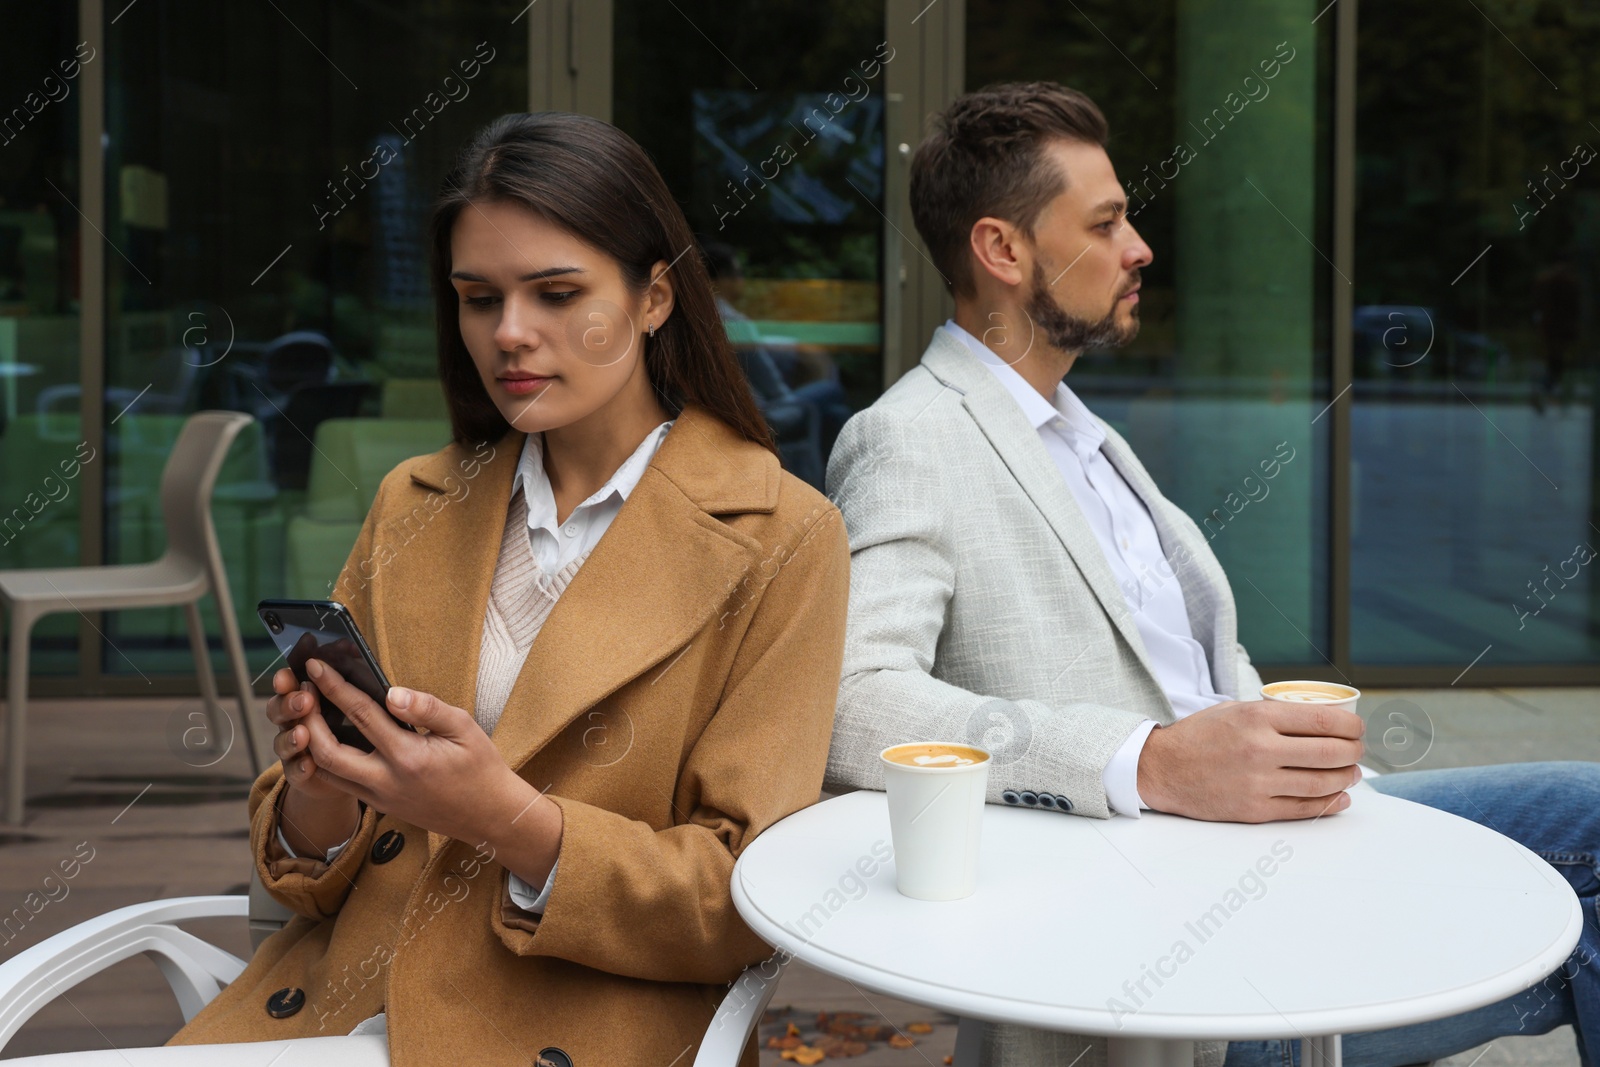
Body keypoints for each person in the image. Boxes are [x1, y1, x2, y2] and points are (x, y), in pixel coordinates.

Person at [823, 81, 1600, 1067]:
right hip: (1176, 961)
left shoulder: (1082, 435)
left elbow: (1182, 670)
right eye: (1106, 221)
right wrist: (1144, 758)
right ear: (1002, 250)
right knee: (1576, 916)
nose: (1139, 246)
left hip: (1280, 848)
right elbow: (854, 699)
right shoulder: (910, 436)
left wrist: (1293, 747)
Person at [166, 112, 850, 1066]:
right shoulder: (415, 500)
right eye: (478, 297)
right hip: (336, 1011)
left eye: (557, 292)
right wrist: (323, 791)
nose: (510, 334)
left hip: (569, 1021)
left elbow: (745, 898)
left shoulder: (785, 537)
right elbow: (304, 870)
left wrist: (509, 821)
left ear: (655, 298)